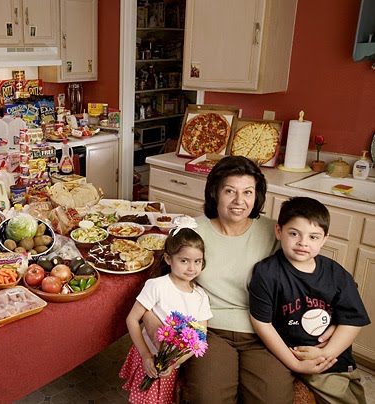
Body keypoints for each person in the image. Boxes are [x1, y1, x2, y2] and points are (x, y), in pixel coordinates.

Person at [143, 156, 335, 403]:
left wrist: (329, 321)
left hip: (266, 332)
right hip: (209, 330)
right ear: (215, 193)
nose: (239, 201)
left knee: (272, 398)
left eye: (248, 192)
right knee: (208, 397)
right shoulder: (192, 231)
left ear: (257, 196)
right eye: (230, 191)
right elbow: (156, 286)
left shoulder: (278, 232)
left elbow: (316, 278)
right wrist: (150, 322)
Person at [250, 197, 370, 404]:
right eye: (294, 233)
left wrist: (324, 354)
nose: (303, 243)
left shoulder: (336, 274)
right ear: (279, 231)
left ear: (324, 239)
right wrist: (296, 363)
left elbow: (352, 320)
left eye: (313, 237)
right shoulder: (267, 272)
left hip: (327, 357)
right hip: (285, 354)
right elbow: (262, 323)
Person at [120, 227, 212, 403]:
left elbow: (200, 338)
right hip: (147, 356)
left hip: (171, 364)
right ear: (168, 259)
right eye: (184, 261)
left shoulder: (201, 297)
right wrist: (146, 354)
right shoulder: (157, 286)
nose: (191, 268)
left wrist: (175, 362)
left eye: (197, 261)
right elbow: (132, 319)